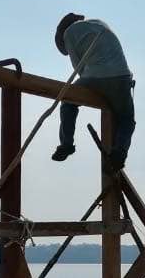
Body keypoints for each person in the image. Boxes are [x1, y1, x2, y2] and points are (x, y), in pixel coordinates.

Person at [52, 13, 135, 170]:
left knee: (68, 101)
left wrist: (94, 88)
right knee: (126, 119)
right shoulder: (99, 23)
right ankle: (119, 153)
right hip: (122, 76)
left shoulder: (68, 33)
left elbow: (80, 68)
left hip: (95, 76)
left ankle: (67, 143)